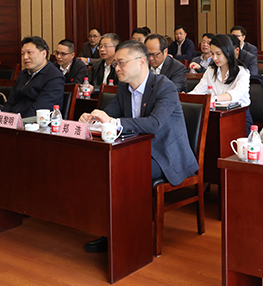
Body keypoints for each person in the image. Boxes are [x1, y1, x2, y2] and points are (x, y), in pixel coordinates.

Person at [79, 40, 198, 253]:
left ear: (141, 62)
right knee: (101, 166)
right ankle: (111, 231)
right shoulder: (124, 88)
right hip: (136, 150)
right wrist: (92, 119)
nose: (116, 68)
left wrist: (112, 121)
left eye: (121, 63)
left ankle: (131, 234)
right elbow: (110, 114)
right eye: (115, 63)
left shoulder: (164, 87)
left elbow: (153, 124)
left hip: (165, 154)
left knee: (122, 172)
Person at [189, 34, 252, 129]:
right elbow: (198, 91)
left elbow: (236, 94)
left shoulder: (242, 72)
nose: (214, 58)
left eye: (218, 54)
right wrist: (185, 97)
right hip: (214, 115)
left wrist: (212, 99)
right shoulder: (210, 70)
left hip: (238, 116)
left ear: (229, 53)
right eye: (212, 53)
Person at [3, 36, 65, 118]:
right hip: (14, 120)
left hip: (33, 123)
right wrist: (2, 117)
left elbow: (39, 110)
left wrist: (19, 122)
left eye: (29, 52)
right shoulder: (23, 74)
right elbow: (10, 102)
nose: (25, 57)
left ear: (43, 54)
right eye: (22, 53)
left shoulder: (54, 78)